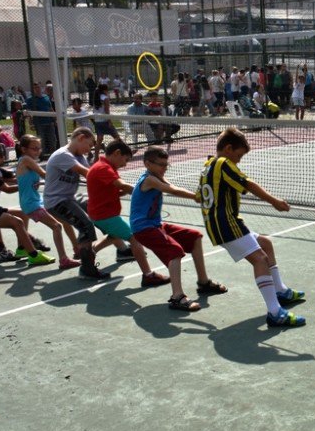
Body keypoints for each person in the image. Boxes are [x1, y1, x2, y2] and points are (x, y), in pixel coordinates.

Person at [199, 128, 307, 328]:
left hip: (224, 222)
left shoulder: (208, 165)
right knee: (260, 259)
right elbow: (247, 184)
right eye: (238, 155)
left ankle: (280, 290)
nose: (239, 160)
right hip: (225, 225)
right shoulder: (223, 163)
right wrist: (273, 201)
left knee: (265, 244)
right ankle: (275, 312)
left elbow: (202, 196)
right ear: (228, 148)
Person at [130, 145, 227, 311]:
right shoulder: (149, 179)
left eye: (166, 165)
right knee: (175, 251)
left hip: (155, 225)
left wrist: (199, 192)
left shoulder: (156, 176)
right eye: (160, 164)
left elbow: (170, 185)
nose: (164, 168)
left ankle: (203, 282)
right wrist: (197, 197)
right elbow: (172, 190)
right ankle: (177, 297)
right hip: (143, 228)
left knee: (194, 236)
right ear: (147, 164)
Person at [85, 140, 168, 287]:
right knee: (135, 237)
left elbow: (115, 191)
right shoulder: (103, 168)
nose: (125, 164)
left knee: (115, 235)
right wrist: (143, 190)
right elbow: (122, 186)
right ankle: (148, 275)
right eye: (125, 159)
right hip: (104, 215)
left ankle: (88, 254)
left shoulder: (103, 166)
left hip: (100, 213)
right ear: (117, 153)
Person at [0, 142, 53, 265]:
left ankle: (20, 249)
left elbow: (15, 177)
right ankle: (33, 254)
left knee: (22, 213)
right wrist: (27, 184)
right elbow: (7, 189)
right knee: (17, 222)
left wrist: (28, 178)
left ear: (2, 159)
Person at [43, 127, 109, 280]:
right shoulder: (63, 155)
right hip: (56, 201)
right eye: (89, 145)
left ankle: (118, 243)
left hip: (69, 198)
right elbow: (87, 173)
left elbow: (90, 177)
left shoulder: (79, 156)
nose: (88, 150)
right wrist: (111, 181)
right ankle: (87, 268)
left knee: (99, 210)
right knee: (85, 225)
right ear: (80, 137)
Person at [16, 134, 78, 269]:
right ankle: (64, 259)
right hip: (31, 204)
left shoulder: (27, 161)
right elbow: (46, 175)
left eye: (39, 148)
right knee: (56, 226)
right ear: (24, 149)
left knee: (65, 220)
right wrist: (66, 174)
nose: (38, 151)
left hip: (36, 201)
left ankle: (77, 249)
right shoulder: (26, 160)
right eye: (34, 148)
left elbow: (35, 180)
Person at [25, 82, 58, 158]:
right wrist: (31, 123)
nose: (37, 89)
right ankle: (43, 156)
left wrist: (55, 119)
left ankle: (53, 155)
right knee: (41, 141)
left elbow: (50, 108)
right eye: (35, 88)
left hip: (49, 122)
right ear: (33, 89)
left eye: (38, 87)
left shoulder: (46, 97)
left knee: (52, 139)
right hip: (39, 123)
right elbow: (29, 113)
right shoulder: (30, 100)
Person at [92, 83, 120, 158]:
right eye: (107, 89)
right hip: (105, 121)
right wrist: (109, 121)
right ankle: (124, 152)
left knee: (99, 141)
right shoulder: (105, 98)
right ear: (105, 90)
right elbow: (107, 111)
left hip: (98, 122)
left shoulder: (96, 98)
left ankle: (96, 157)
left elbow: (94, 111)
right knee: (117, 138)